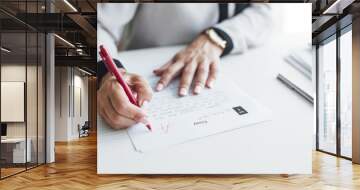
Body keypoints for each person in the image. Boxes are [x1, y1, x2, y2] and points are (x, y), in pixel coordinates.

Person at [97, 3, 270, 129]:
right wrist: (107, 73)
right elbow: (98, 24)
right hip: (149, 67)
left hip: (238, 65)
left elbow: (267, 12)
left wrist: (216, 38)